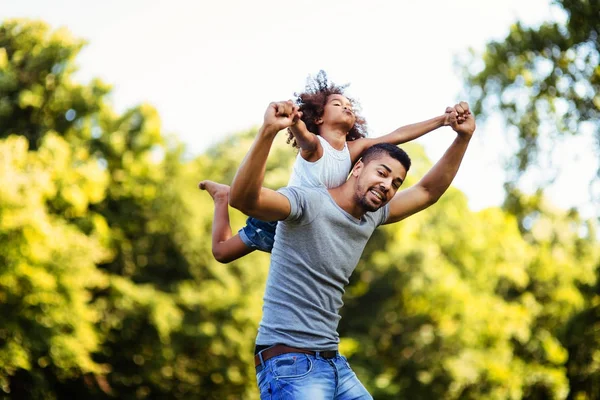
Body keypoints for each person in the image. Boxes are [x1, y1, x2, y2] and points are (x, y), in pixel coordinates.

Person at [227, 99, 476, 399]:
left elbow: (427, 191)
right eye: (382, 173)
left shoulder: (372, 216)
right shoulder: (307, 202)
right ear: (357, 167)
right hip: (289, 362)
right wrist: (267, 132)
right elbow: (244, 199)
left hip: (333, 362)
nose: (388, 186)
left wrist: (462, 137)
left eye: (396, 183)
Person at [199, 71, 455, 263]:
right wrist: (293, 121)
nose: (346, 106)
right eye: (337, 104)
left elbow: (398, 134)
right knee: (222, 252)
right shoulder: (316, 147)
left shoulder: (353, 149)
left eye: (350, 106)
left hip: (314, 230)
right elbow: (304, 137)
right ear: (319, 117)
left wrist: (442, 121)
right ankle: (222, 196)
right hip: (284, 217)